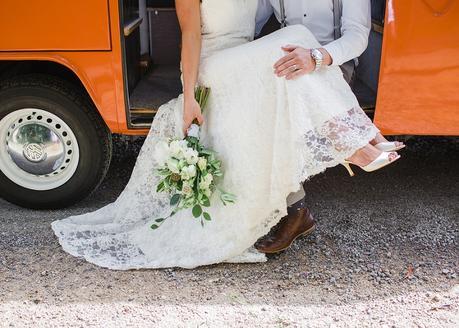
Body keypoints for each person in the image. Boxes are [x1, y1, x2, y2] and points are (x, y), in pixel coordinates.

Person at [51, 0, 400, 270]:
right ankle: (356, 142)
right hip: (211, 66)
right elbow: (189, 35)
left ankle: (353, 146)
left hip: (245, 61)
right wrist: (189, 98)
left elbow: (263, 24)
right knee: (296, 41)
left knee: (292, 51)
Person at [254, 0, 405, 254]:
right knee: (274, 88)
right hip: (288, 64)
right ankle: (357, 139)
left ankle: (297, 209)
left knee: (287, 90)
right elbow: (253, 22)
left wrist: (315, 58)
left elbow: (357, 36)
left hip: (333, 63)